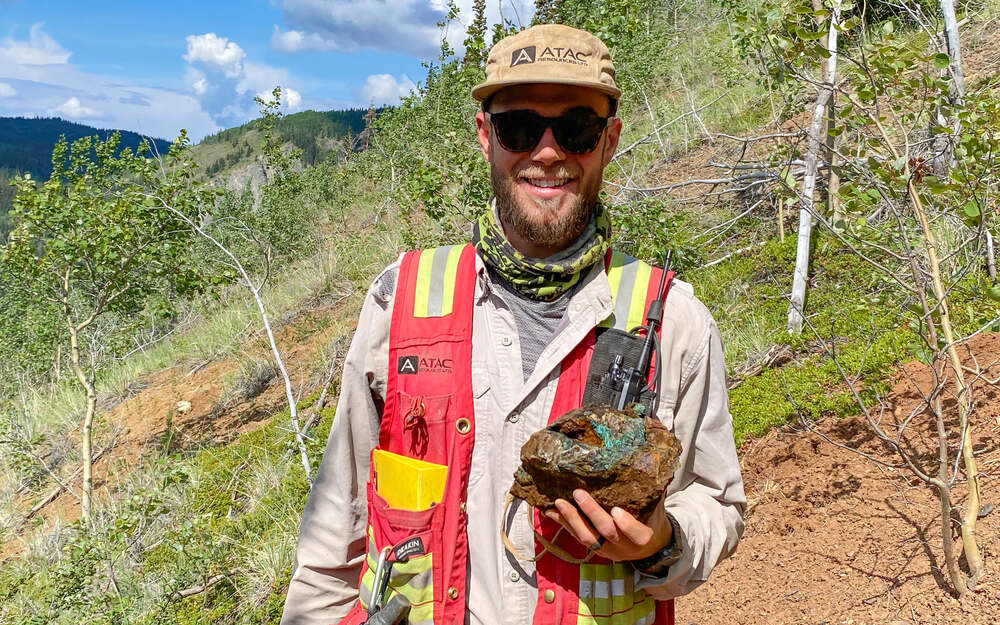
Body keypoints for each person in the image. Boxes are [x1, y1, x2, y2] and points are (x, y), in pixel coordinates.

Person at [281, 23, 745, 625]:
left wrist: (662, 541)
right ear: (486, 136)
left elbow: (718, 501)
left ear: (608, 142)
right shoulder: (400, 301)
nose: (547, 152)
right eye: (520, 127)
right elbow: (334, 531)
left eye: (576, 128)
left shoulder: (673, 320)